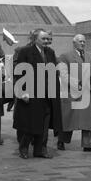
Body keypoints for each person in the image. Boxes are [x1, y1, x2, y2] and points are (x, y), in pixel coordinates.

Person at [13, 29, 62, 159]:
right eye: (43, 39)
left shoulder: (50, 52)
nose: (46, 41)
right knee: (31, 123)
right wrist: (22, 92)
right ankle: (24, 148)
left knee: (45, 124)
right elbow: (19, 73)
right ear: (35, 39)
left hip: (48, 94)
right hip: (32, 93)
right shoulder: (25, 52)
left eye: (47, 39)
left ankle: (40, 149)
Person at [57, 34, 91, 152]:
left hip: (88, 93)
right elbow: (63, 74)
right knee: (68, 118)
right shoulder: (65, 56)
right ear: (74, 43)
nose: (82, 43)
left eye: (84, 41)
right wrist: (77, 83)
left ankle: (88, 144)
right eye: (80, 41)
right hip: (72, 93)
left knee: (88, 120)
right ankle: (62, 141)